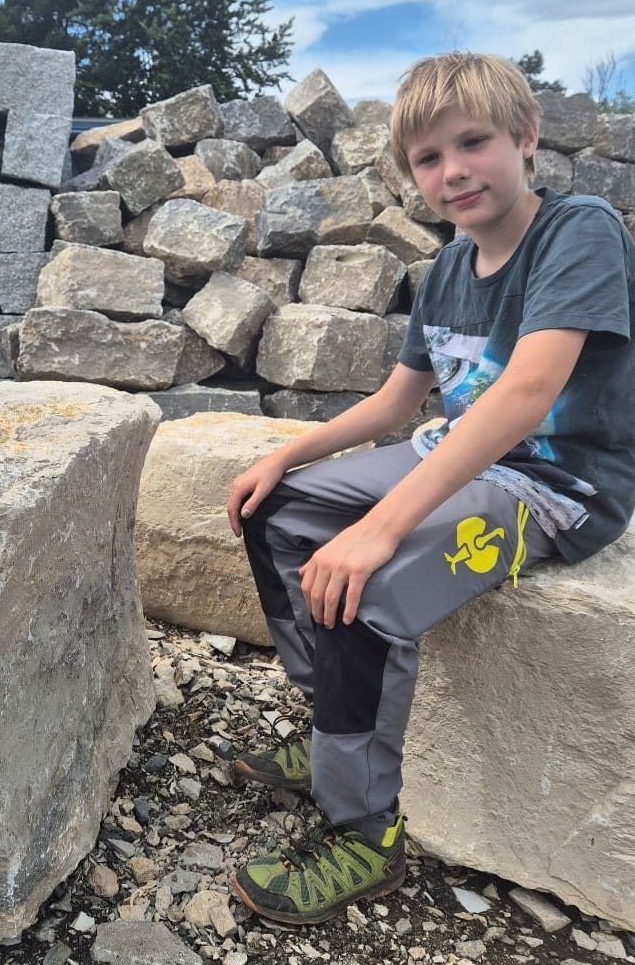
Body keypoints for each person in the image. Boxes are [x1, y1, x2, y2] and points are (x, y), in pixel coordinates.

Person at [226, 51, 635, 926]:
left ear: (526, 137)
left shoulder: (580, 230)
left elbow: (525, 398)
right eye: (428, 158)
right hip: (454, 454)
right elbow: (395, 401)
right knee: (276, 512)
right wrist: (287, 458)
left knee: (364, 584)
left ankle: (364, 834)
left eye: (473, 142)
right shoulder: (448, 268)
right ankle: (334, 733)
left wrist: (381, 527)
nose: (453, 171)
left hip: (551, 485)